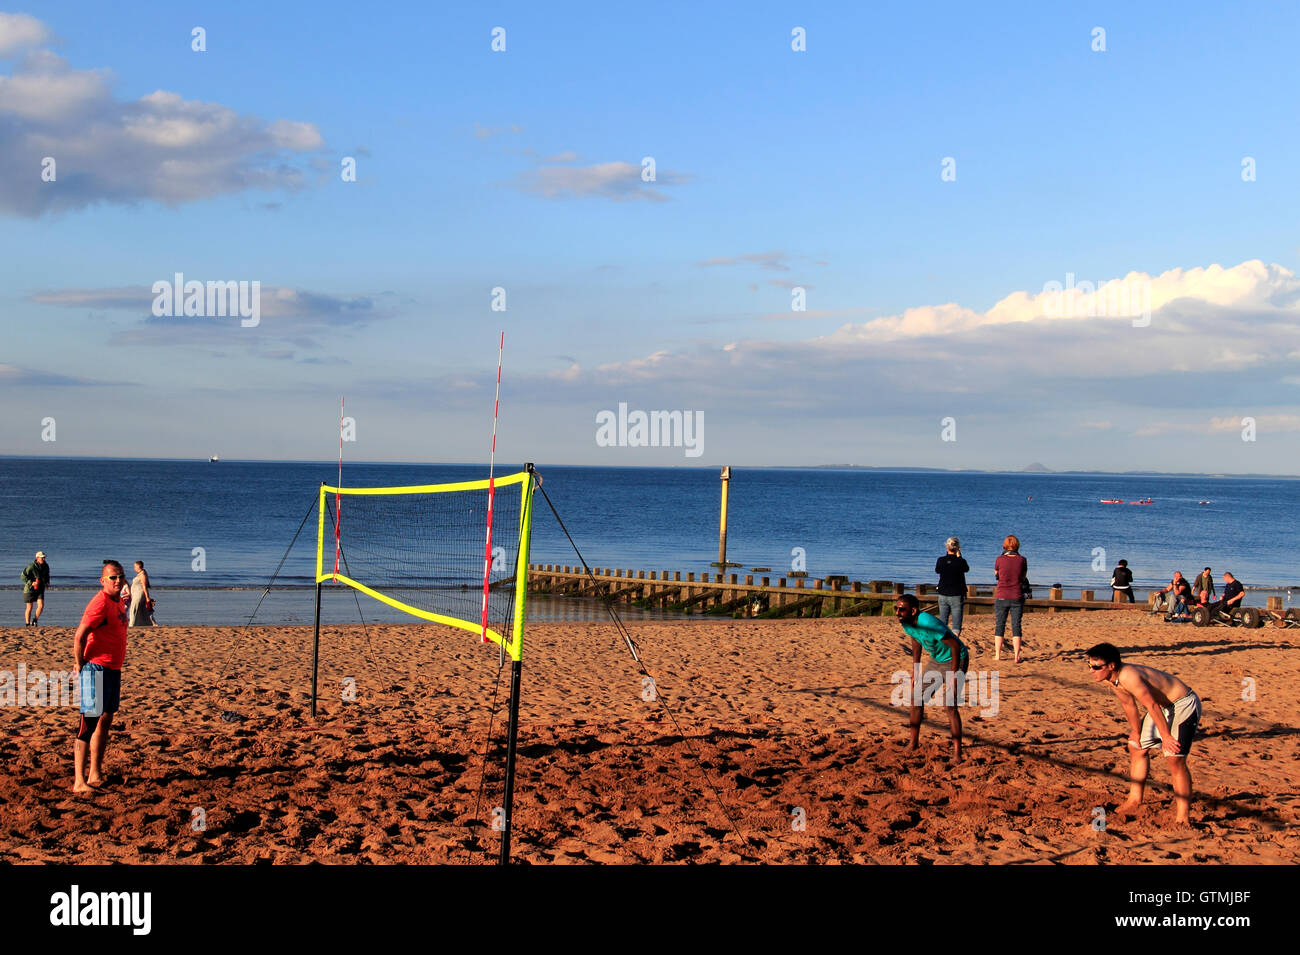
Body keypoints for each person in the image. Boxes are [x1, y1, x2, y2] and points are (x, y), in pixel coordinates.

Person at [1086, 643, 1201, 825]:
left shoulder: (1129, 676)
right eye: (1089, 666)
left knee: (1174, 758)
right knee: (1136, 747)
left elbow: (1151, 705)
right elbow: (1128, 705)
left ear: (1111, 666)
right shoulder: (1111, 679)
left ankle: (1183, 818)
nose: (1091, 671)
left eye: (1096, 667)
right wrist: (1136, 731)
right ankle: (1134, 800)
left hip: (1183, 703)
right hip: (1163, 707)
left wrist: (1166, 736)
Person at [72, 561, 131, 794]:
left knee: (105, 720)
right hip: (96, 669)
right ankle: (79, 781)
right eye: (113, 578)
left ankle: (95, 773)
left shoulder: (117, 602)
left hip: (113, 669)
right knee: (88, 724)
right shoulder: (99, 603)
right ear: (103, 581)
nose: (118, 581)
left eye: (121, 577)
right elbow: (79, 637)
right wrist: (79, 664)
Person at [894, 593, 969, 763]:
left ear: (913, 611)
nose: (897, 612)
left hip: (957, 658)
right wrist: (916, 670)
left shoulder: (928, 622)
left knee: (950, 706)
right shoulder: (905, 623)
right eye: (896, 608)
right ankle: (913, 744)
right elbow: (916, 640)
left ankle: (957, 753)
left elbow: (956, 645)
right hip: (937, 660)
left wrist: (954, 675)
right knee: (916, 699)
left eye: (902, 609)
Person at [993, 535, 1028, 662]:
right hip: (1016, 595)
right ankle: (1016, 656)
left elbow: (997, 575)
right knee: (1016, 625)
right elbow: (1023, 577)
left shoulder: (999, 559)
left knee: (1000, 625)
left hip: (1002, 594)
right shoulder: (1022, 560)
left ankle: (998, 655)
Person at [934, 536, 969, 640]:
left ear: (947, 547)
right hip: (956, 594)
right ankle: (954, 644)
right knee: (956, 624)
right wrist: (959, 556)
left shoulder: (941, 560)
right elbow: (966, 569)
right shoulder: (960, 562)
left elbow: (938, 570)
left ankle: (944, 643)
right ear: (958, 548)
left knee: (943, 621)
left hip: (943, 593)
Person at [22, 550, 50, 626]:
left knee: (41, 606)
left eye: (44, 558)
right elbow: (23, 576)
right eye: (42, 558)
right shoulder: (31, 566)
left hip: (40, 588)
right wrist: (31, 582)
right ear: (37, 558)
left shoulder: (46, 566)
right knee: (29, 607)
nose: (43, 559)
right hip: (30, 589)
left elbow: (47, 575)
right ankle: (27, 623)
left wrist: (47, 582)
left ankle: (35, 620)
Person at [129, 561, 155, 627]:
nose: (134, 568)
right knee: (141, 610)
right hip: (136, 594)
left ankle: (132, 624)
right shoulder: (140, 573)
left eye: (135, 566)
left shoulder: (142, 574)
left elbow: (144, 586)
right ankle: (144, 624)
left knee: (133, 609)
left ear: (138, 566)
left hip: (139, 594)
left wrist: (147, 597)